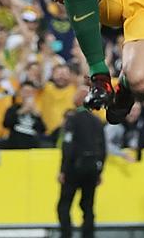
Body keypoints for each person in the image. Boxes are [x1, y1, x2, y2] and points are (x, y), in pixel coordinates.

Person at [57, 86, 107, 238]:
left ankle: (66, 234)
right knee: (88, 206)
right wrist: (99, 171)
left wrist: (63, 170)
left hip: (74, 168)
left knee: (64, 206)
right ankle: (88, 235)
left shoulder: (72, 120)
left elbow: (68, 146)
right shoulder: (97, 122)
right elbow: (103, 148)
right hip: (92, 168)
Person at [2, 81, 46, 149]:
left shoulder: (36, 110)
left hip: (32, 148)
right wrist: (22, 111)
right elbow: (6, 124)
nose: (28, 94)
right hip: (15, 146)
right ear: (21, 93)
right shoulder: (13, 108)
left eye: (30, 92)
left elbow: (43, 130)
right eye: (25, 91)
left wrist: (37, 115)